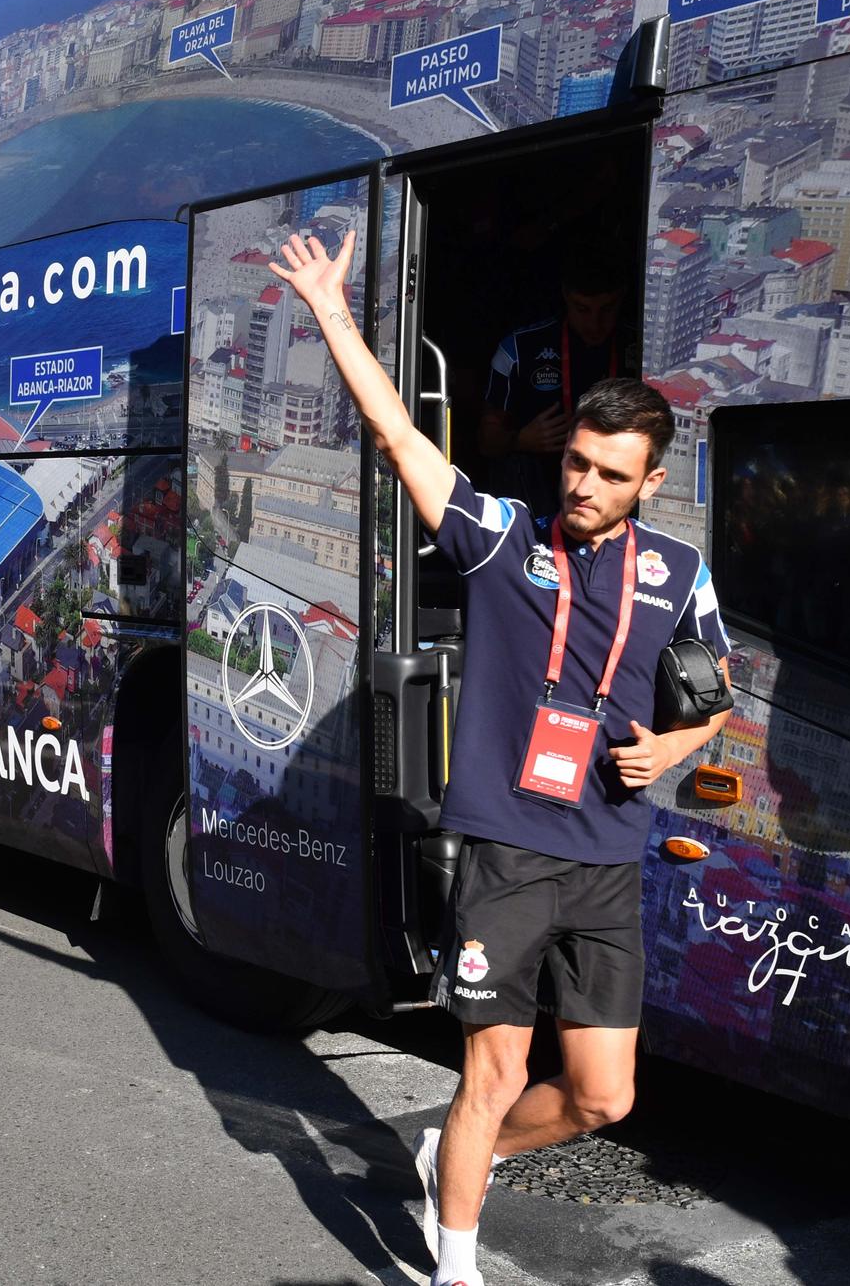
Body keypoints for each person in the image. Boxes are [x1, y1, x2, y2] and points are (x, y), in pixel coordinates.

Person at [269, 230, 730, 1286]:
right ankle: (455, 1264)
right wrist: (332, 310)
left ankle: (448, 1159)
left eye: (607, 474)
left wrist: (672, 741)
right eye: (573, 460)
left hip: (607, 855)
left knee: (602, 1095)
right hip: (505, 849)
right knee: (492, 1067)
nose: (579, 484)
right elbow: (397, 436)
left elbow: (717, 698)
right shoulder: (502, 539)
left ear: (647, 482)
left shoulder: (680, 573)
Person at [476, 256, 638, 518]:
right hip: (540, 492)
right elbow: (486, 444)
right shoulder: (519, 349)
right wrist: (520, 440)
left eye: (607, 309)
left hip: (618, 482)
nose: (595, 324)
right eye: (582, 309)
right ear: (565, 297)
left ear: (622, 298)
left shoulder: (643, 346)